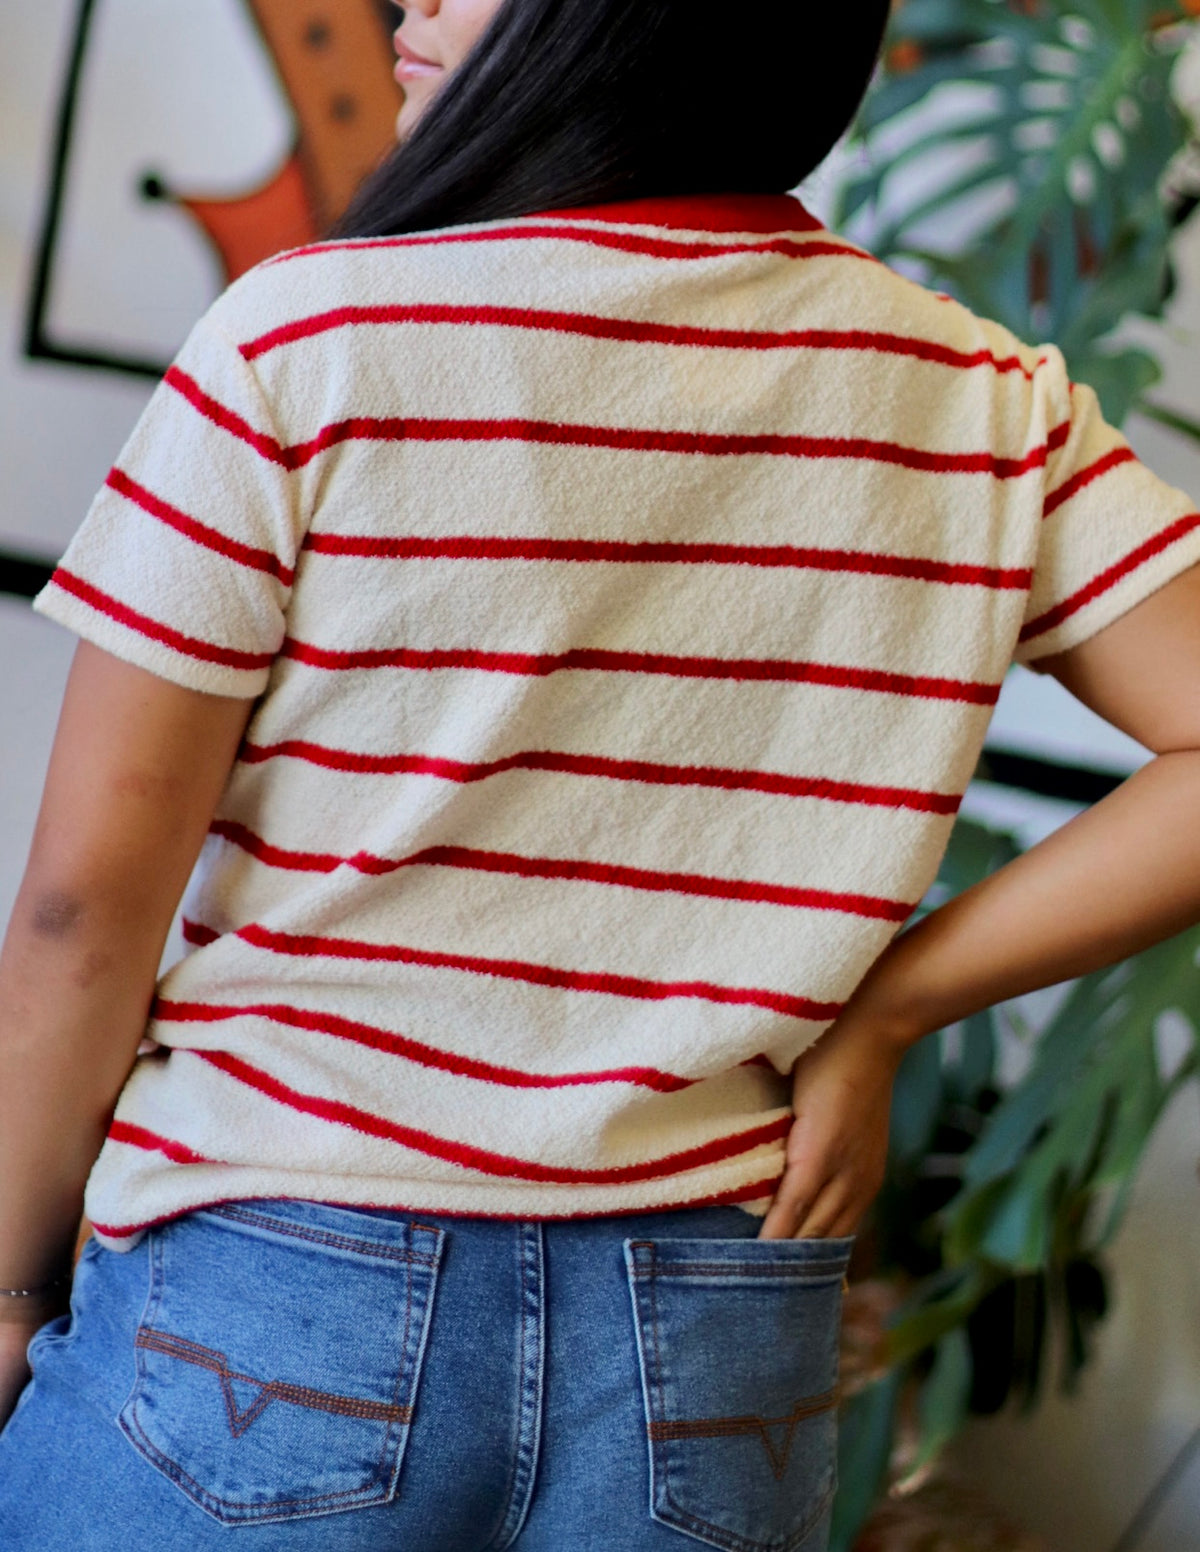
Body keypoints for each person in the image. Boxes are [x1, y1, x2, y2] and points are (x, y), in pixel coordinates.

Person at [2, 0, 1199, 1546]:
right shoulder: (976, 400)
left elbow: (82, 918)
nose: (412, 5)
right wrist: (890, 1007)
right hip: (716, 1329)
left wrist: (13, 1282)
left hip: (271, 1286)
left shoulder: (309, 343)